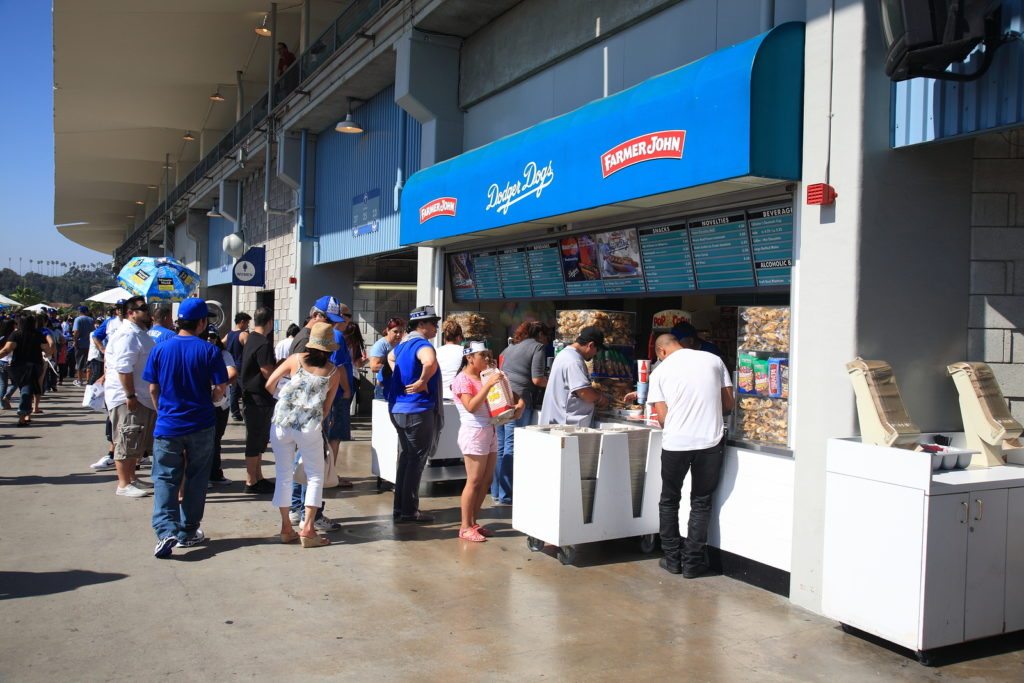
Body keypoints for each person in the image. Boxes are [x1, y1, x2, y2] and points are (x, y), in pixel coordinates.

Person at [143, 298, 229, 559]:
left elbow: (152, 388)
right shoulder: (209, 351)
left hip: (168, 425)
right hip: (201, 423)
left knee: (166, 478)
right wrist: (213, 398)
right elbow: (220, 388)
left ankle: (165, 529)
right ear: (202, 322)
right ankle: (187, 531)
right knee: (196, 478)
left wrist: (162, 412)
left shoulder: (160, 349)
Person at [648, 333, 734, 578]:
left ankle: (672, 559)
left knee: (669, 500)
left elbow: (662, 417)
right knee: (701, 501)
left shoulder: (659, 373)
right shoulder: (713, 360)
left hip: (676, 443)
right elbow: (728, 404)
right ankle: (693, 564)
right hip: (710, 442)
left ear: (661, 351)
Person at [264, 321, 341, 548]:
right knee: (315, 475)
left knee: (283, 474)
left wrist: (288, 398)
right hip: (309, 427)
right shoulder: (334, 372)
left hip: (281, 423)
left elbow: (269, 385)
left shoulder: (295, 360)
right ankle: (308, 529)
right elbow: (326, 408)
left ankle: (286, 528)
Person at [288, 296, 349, 530]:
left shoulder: (302, 339)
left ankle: (297, 509)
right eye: (328, 320)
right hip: (310, 415)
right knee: (312, 466)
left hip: (301, 416)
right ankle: (309, 514)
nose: (332, 327)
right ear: (315, 315)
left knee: (301, 461)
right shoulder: (307, 342)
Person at [451, 342, 521, 541]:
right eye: (483, 355)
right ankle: (465, 526)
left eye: (488, 355)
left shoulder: (485, 375)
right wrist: (489, 384)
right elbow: (471, 406)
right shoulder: (462, 380)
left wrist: (519, 401)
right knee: (473, 481)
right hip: (474, 431)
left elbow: (507, 395)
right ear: (470, 357)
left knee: (486, 480)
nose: (487, 359)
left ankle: (473, 522)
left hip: (490, 429)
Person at [386, 305, 443, 524]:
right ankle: (409, 511)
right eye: (433, 322)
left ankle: (400, 509)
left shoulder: (402, 345)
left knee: (406, 459)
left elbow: (389, 358)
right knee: (416, 460)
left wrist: (401, 376)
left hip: (399, 408)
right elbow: (429, 361)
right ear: (421, 325)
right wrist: (421, 381)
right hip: (416, 410)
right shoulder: (421, 344)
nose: (436, 326)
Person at [103, 295, 157, 498]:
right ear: (131, 313)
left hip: (142, 396)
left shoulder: (140, 333)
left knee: (136, 440)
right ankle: (123, 483)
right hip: (129, 397)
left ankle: (131, 477)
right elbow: (124, 368)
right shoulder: (128, 334)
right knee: (127, 436)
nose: (147, 312)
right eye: (143, 308)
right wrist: (130, 394)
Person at [493, 321, 548, 505]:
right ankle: (507, 495)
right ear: (540, 335)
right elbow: (537, 379)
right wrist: (557, 382)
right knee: (512, 445)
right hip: (520, 401)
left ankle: (497, 491)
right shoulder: (538, 347)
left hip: (501, 399)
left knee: (501, 446)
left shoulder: (508, 349)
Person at [538, 326, 608, 429]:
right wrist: (601, 398)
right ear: (591, 345)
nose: (595, 354)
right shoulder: (574, 361)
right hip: (566, 427)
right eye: (597, 350)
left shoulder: (564, 354)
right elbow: (584, 392)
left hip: (559, 422)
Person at [239, 307, 277, 494]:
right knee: (255, 438)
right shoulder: (263, 343)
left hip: (251, 395)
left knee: (259, 438)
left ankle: (258, 476)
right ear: (270, 321)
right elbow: (267, 371)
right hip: (259, 397)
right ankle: (251, 480)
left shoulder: (251, 338)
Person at [202, 325, 236, 488]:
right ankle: (205, 476)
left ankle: (214, 473)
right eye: (207, 336)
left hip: (219, 404)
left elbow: (232, 373)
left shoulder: (223, 354)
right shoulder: (200, 352)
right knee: (203, 441)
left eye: (213, 336)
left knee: (215, 440)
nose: (210, 339)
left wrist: (219, 388)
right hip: (202, 403)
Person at [0, 315, 49, 426]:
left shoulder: (16, 334)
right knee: (27, 390)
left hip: (18, 366)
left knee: (26, 389)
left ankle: (26, 415)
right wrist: (47, 353)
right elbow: (48, 349)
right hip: (35, 365)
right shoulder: (38, 335)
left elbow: (6, 350)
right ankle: (23, 415)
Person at [327, 303, 355, 485]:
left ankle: (329, 473)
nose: (349, 320)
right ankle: (330, 475)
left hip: (333, 394)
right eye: (348, 315)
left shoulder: (331, 334)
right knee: (334, 437)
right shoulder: (336, 335)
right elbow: (338, 367)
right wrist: (346, 390)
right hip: (336, 396)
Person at [223, 312, 251, 421]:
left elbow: (221, 344)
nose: (248, 326)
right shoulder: (244, 335)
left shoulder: (228, 334)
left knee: (234, 390)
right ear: (242, 322)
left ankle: (234, 412)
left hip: (231, 365)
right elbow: (249, 350)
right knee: (245, 390)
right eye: (247, 323)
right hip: (242, 366)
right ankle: (246, 411)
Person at [369, 317, 404, 399]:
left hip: (396, 386)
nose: (399, 334)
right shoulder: (381, 345)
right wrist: (394, 366)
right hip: (383, 388)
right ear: (388, 330)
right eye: (395, 332)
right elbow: (374, 366)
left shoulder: (401, 343)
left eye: (401, 332)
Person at [436, 319, 464, 400]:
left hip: (439, 397)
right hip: (459, 397)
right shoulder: (465, 352)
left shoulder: (435, 352)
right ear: (459, 337)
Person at [72, 305, 94, 385]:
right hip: (89, 343)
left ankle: (80, 380)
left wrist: (75, 341)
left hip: (80, 343)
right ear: (86, 312)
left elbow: (76, 331)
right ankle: (88, 380)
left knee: (79, 362)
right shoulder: (91, 320)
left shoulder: (78, 319)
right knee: (89, 362)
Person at [0, 319, 15, 410]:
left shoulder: (1, 337)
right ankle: (7, 395)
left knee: (3, 384)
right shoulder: (12, 337)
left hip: (0, 361)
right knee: (17, 382)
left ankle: (2, 404)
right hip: (10, 361)